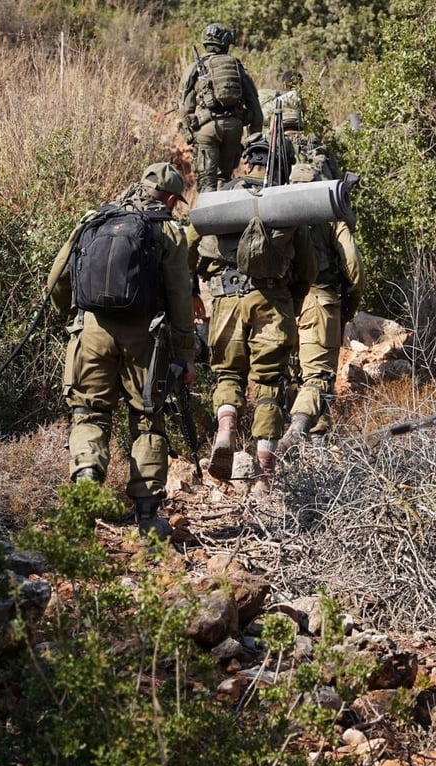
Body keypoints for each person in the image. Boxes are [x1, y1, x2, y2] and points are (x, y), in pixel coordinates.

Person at [47, 163, 196, 538]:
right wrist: (185, 355)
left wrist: (73, 314)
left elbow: (57, 279)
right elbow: (180, 299)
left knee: (89, 414)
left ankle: (84, 497)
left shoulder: (95, 219)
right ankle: (146, 519)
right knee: (147, 420)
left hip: (91, 332)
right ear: (171, 199)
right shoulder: (169, 234)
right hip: (146, 340)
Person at [188, 138, 316, 495]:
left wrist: (193, 291)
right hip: (272, 300)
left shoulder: (221, 200)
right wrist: (288, 300)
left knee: (228, 372)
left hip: (227, 300)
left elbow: (189, 245)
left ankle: (226, 427)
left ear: (245, 164)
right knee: (270, 383)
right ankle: (263, 475)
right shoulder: (283, 202)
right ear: (277, 166)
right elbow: (307, 267)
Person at [278, 162, 363, 452]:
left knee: (292, 374)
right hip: (320, 300)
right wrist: (350, 304)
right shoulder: (329, 216)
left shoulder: (279, 212)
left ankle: (312, 445)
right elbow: (353, 265)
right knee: (319, 377)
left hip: (284, 304)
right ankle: (296, 433)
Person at [178, 23, 264, 194]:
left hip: (207, 128)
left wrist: (189, 129)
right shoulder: (237, 67)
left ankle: (206, 218)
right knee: (225, 178)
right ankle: (225, 216)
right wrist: (254, 138)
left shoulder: (194, 67)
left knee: (206, 181)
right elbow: (254, 104)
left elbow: (185, 106)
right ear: (225, 43)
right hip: (234, 127)